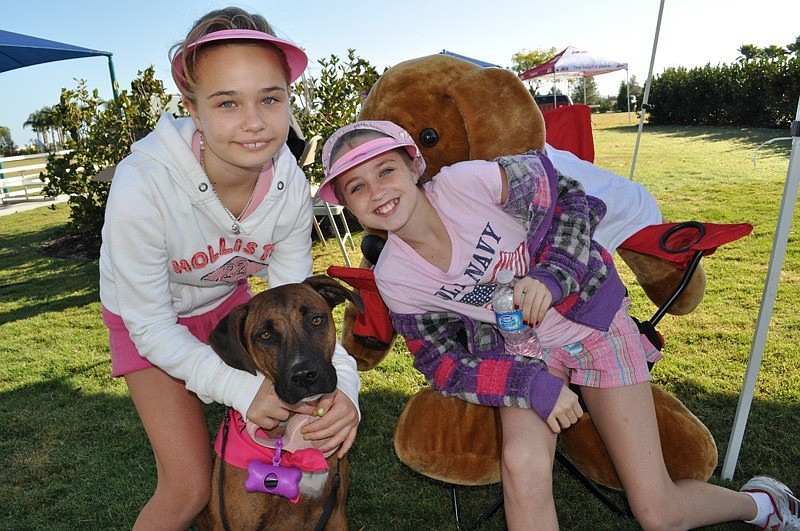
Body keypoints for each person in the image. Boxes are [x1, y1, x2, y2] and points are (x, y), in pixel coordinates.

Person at [316, 120, 799, 531]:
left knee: (657, 512)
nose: (377, 192)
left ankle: (763, 504)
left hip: (592, 324)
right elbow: (440, 362)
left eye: (386, 170)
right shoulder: (396, 277)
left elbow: (570, 198)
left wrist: (551, 274)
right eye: (357, 186)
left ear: (413, 166)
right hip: (521, 356)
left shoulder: (468, 183)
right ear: (345, 203)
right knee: (521, 466)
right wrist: (528, 384)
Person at [98, 8, 360, 529]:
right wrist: (244, 391)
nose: (255, 121)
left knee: (286, 436)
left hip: (231, 310)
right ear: (192, 109)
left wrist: (346, 391)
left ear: (289, 99)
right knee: (189, 488)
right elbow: (151, 327)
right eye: (226, 102)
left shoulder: (288, 184)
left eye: (270, 98)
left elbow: (299, 303)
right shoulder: (141, 187)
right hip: (150, 323)